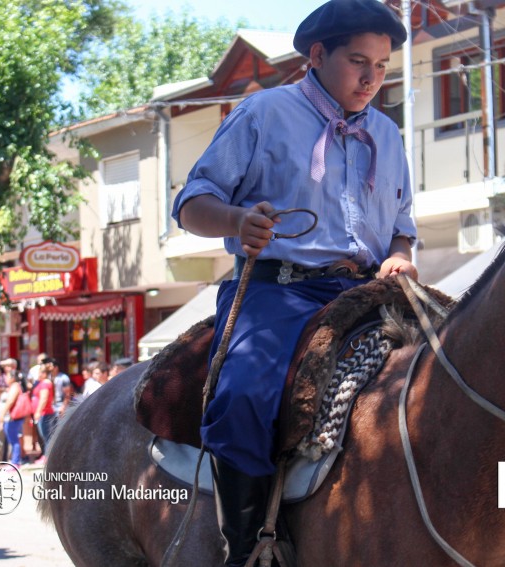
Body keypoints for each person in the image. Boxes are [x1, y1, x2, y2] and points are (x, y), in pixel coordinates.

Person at [170, 1, 416, 563]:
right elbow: (191, 204)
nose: (371, 78)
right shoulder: (262, 112)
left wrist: (401, 257)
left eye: (381, 66)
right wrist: (236, 221)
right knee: (241, 398)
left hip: (369, 293)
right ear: (318, 54)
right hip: (276, 290)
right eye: (358, 61)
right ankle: (249, 547)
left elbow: (402, 231)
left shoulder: (389, 134)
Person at [0, 366, 29, 466]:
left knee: (14, 440)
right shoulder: (14, 386)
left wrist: (2, 415)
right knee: (14, 439)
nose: (6, 378)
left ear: (12, 377)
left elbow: (10, 401)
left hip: (14, 417)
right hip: (14, 417)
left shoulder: (15, 386)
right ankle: (15, 460)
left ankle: (16, 462)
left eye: (7, 376)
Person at [32, 365, 55, 462]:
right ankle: (46, 456)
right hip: (44, 413)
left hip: (45, 413)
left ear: (44, 373)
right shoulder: (42, 383)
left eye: (40, 372)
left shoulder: (45, 383)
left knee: (47, 436)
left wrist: (38, 411)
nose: (38, 375)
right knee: (44, 436)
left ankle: (48, 457)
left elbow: (44, 399)